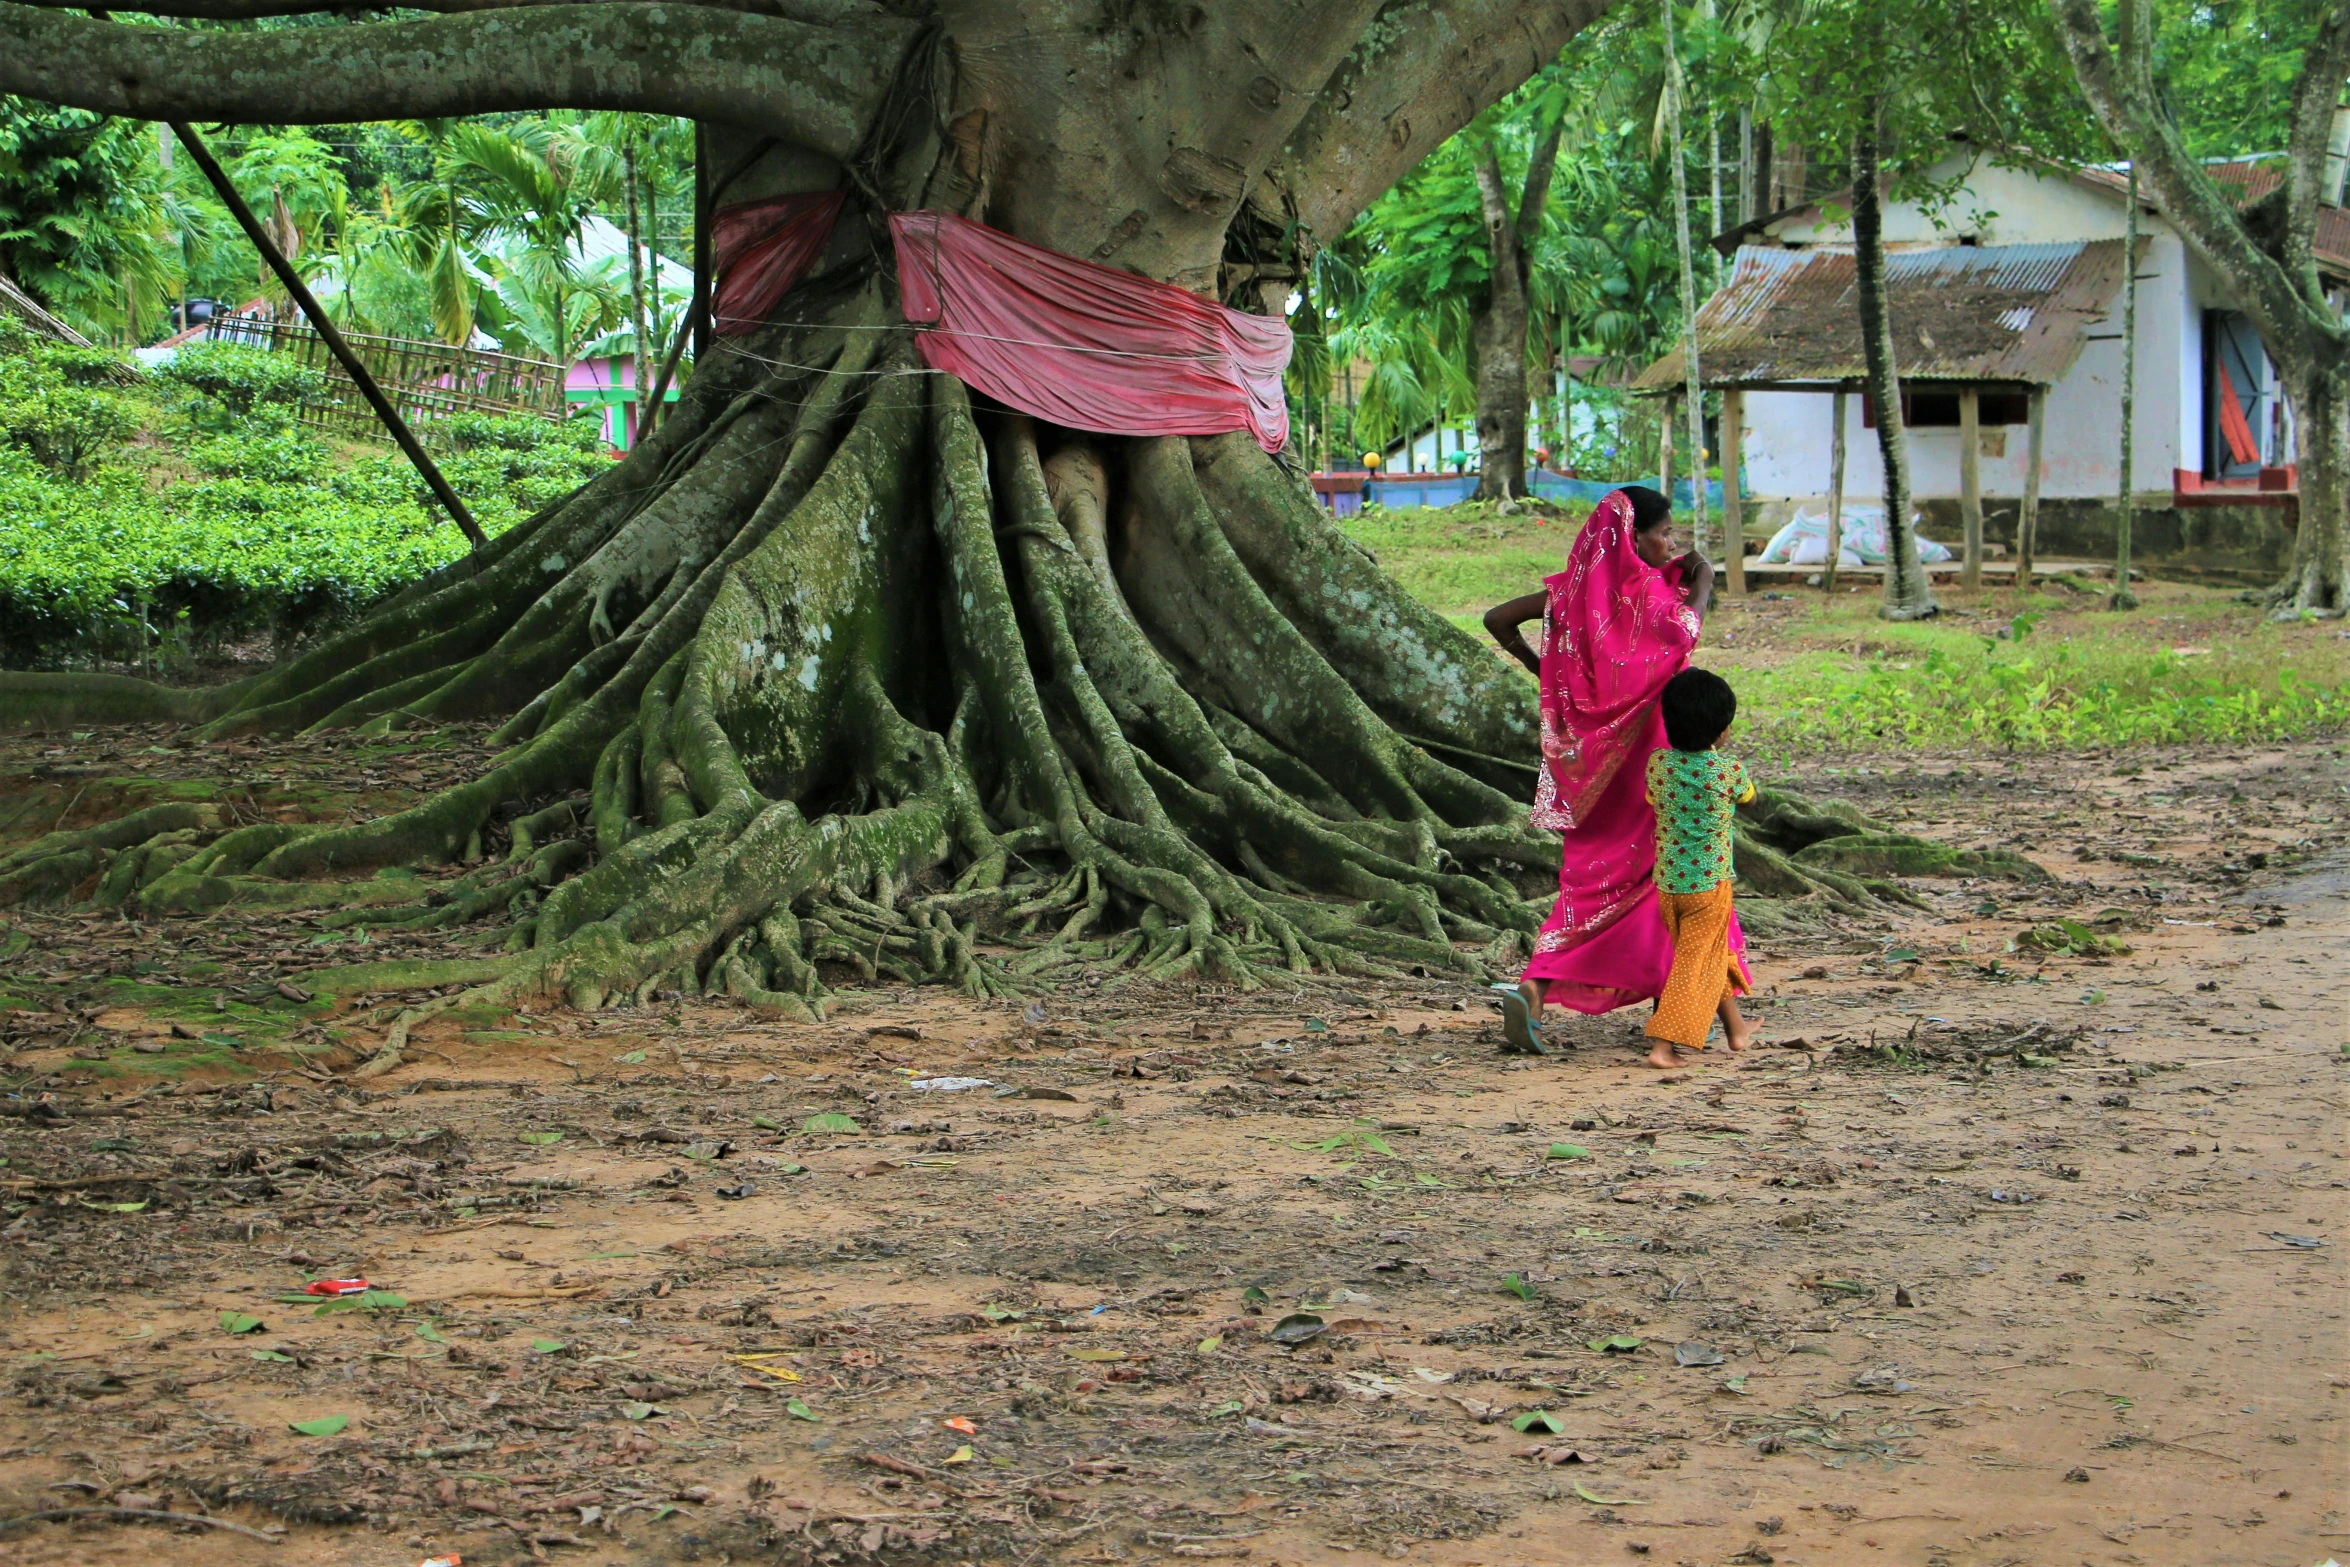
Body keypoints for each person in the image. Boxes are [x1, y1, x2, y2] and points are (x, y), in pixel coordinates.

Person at [1479, 485, 1745, 1058]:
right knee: (1668, 876)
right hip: (1656, 762)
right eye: (1665, 532)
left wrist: (1547, 671)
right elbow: (1686, 630)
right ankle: (1672, 1003)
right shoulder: (1655, 595)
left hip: (1591, 769)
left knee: (1593, 879)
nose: (1671, 542)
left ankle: (1536, 984)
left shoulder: (1573, 594)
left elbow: (1496, 619)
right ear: (1634, 536)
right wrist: (1704, 579)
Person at [1641, 667, 1757, 1067]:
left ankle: (1736, 1030)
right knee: (1695, 961)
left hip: (1668, 885)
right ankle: (1663, 1046)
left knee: (1707, 953)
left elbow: (1651, 798)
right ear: (1722, 731)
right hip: (1710, 885)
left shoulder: (1658, 764)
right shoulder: (1727, 771)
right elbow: (1750, 798)